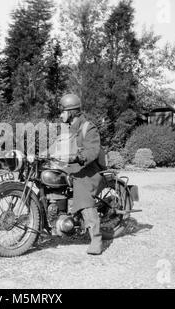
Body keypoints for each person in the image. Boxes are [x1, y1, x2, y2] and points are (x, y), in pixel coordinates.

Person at [59, 94, 104, 255]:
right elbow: (57, 146)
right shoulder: (69, 129)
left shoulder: (88, 127)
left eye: (63, 111)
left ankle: (96, 239)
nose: (60, 114)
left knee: (82, 192)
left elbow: (92, 151)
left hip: (90, 169)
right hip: (74, 167)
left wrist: (79, 156)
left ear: (71, 112)